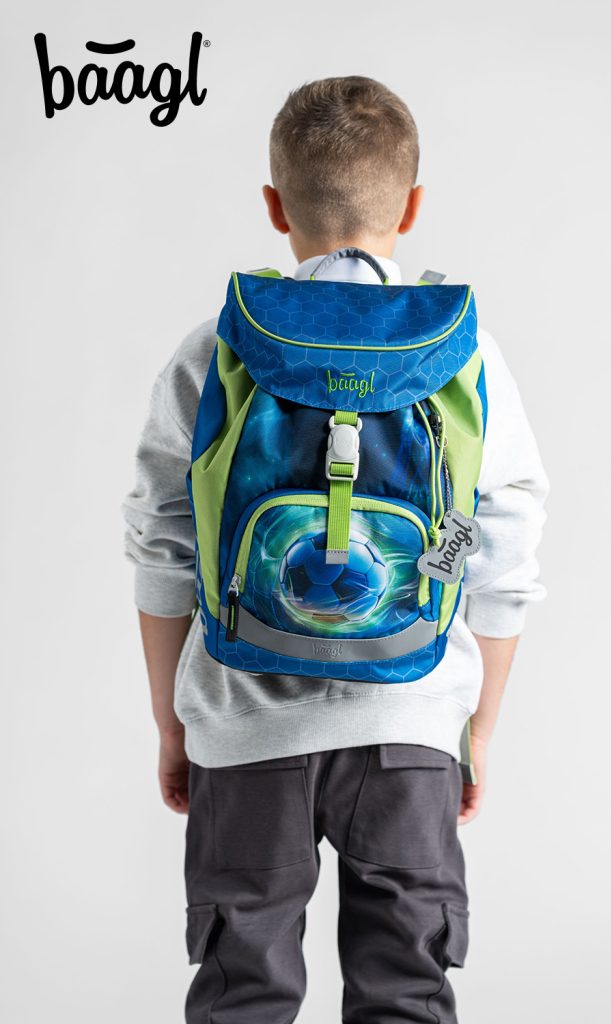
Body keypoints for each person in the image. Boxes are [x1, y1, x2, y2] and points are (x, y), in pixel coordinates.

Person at [122, 75, 549, 1024]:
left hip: (242, 724)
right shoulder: (464, 354)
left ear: (274, 206)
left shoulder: (218, 345)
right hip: (411, 723)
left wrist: (173, 723)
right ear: (413, 204)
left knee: (242, 996)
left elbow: (161, 542)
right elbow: (500, 548)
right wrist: (473, 731)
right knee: (405, 995)